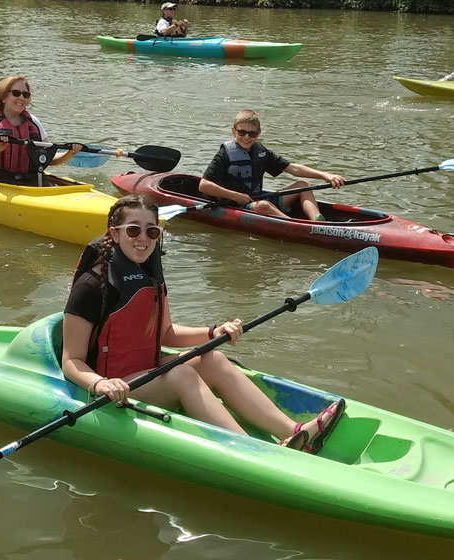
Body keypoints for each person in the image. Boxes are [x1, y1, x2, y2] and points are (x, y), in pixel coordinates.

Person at [62, 194, 345, 454]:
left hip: (147, 371)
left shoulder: (150, 274)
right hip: (117, 384)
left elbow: (167, 333)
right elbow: (72, 361)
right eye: (133, 230)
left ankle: (294, 433)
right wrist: (100, 384)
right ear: (115, 233)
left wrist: (213, 331)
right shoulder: (92, 286)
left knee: (213, 358)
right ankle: (252, 451)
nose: (143, 239)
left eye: (152, 231)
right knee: (183, 375)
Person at [198, 109, 346, 221]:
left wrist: (325, 175)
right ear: (233, 131)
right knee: (264, 206)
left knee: (303, 185)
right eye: (241, 132)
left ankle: (318, 224)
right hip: (235, 205)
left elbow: (293, 168)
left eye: (252, 134)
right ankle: (294, 226)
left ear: (258, 133)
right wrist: (236, 196)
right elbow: (203, 185)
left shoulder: (261, 152)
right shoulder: (224, 154)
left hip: (257, 199)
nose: (246, 137)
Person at [0, 75, 81, 186]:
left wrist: (69, 154)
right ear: (3, 97)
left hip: (31, 180)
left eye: (26, 95)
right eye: (16, 93)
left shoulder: (34, 122)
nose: (21, 98)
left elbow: (49, 160)